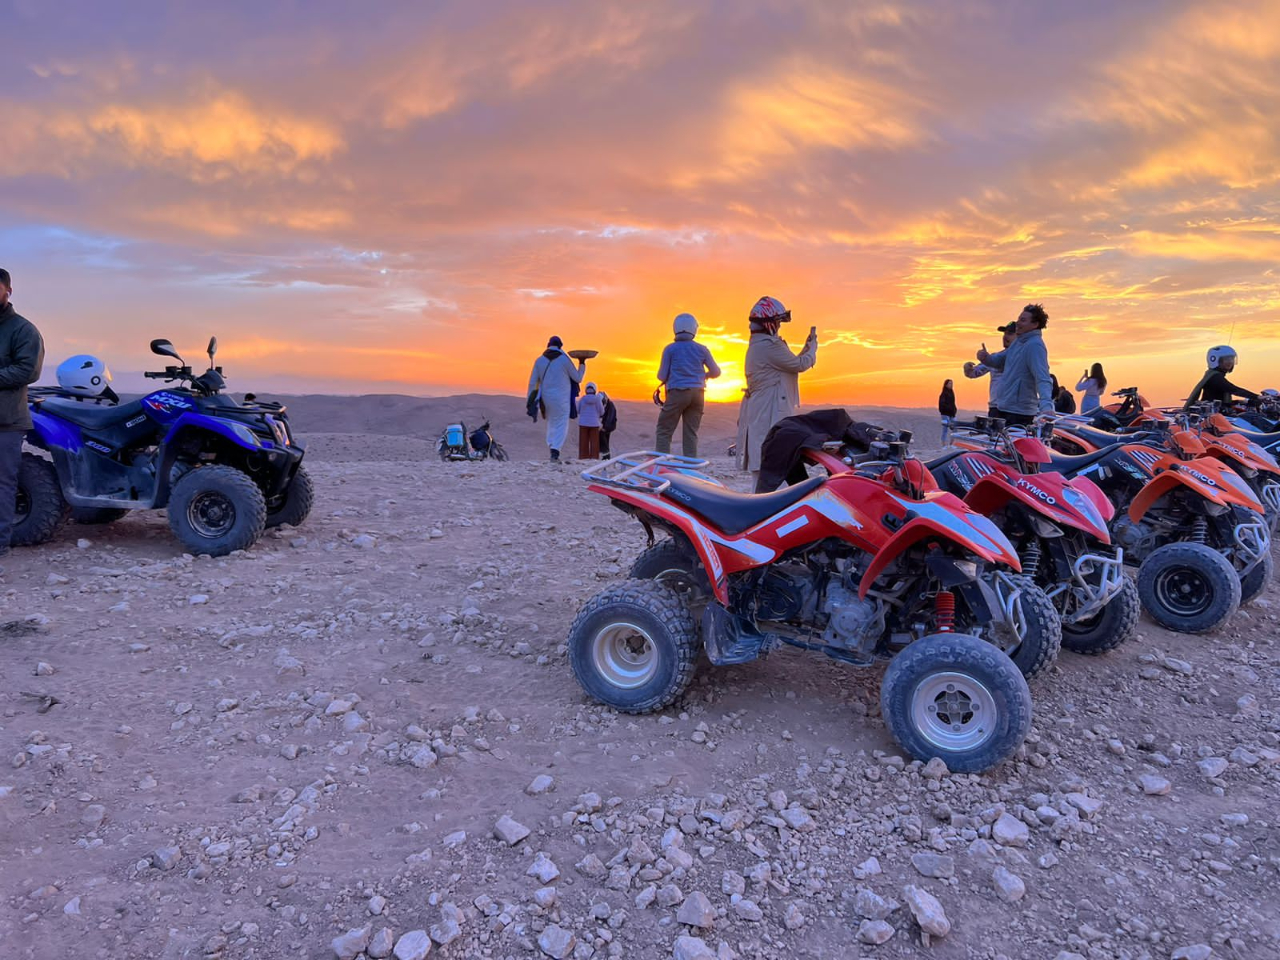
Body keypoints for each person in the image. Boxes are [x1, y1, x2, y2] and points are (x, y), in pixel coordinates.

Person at [736, 296, 818, 489]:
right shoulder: (769, 346)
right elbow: (799, 364)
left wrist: (805, 349)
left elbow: (788, 365)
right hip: (769, 408)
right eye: (778, 322)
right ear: (769, 323)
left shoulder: (760, 345)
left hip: (761, 407)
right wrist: (813, 348)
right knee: (774, 460)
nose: (779, 326)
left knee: (765, 460)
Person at [0, 268, 46, 576]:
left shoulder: (23, 330)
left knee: (2, 484)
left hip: (6, 421)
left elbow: (28, 371)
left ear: (8, 290)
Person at [974, 303, 1054, 427]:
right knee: (999, 445)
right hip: (1004, 408)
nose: (1018, 323)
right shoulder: (1018, 342)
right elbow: (1000, 360)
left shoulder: (1035, 345)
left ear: (1035, 325)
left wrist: (1047, 406)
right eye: (1018, 319)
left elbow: (1042, 377)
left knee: (1011, 446)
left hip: (1019, 414)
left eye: (1023, 320)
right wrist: (987, 358)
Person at [655, 313, 721, 457]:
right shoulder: (702, 349)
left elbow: (661, 376)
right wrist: (704, 376)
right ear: (694, 329)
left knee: (664, 430)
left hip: (677, 392)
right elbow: (716, 372)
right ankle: (690, 468)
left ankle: (661, 465)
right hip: (698, 394)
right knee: (691, 433)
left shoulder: (670, 349)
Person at [527, 335, 585, 462]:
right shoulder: (564, 360)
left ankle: (552, 446)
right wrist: (582, 363)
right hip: (562, 398)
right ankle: (555, 451)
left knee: (552, 422)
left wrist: (531, 400)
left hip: (546, 398)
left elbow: (533, 382)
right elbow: (578, 378)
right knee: (561, 423)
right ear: (560, 346)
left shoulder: (539, 360)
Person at [964, 323, 1015, 418]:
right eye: (1004, 334)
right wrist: (968, 368)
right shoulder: (995, 357)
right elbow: (974, 373)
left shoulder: (1023, 358)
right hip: (995, 407)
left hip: (1015, 409)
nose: (1005, 337)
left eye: (1010, 334)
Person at [1185, 345, 1258, 409]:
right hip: (1214, 413)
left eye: (1232, 359)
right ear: (1215, 360)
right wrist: (1257, 397)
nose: (1230, 362)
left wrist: (1239, 402)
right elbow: (1233, 389)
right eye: (1226, 359)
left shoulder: (1212, 375)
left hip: (1217, 409)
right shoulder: (1215, 377)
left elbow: (1221, 400)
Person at [577, 382, 604, 460]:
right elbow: (601, 411)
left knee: (583, 442)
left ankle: (583, 457)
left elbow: (578, 410)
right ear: (594, 389)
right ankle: (594, 458)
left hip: (583, 423)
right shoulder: (598, 400)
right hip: (594, 423)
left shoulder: (582, 399)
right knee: (594, 442)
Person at [599, 391, 618, 460]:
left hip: (609, 425)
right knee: (606, 439)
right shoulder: (607, 404)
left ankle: (606, 454)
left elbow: (610, 417)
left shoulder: (610, 405)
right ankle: (606, 456)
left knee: (602, 436)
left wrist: (605, 427)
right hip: (606, 425)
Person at [938, 378, 957, 445]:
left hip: (952, 414)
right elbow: (941, 405)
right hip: (945, 414)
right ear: (946, 385)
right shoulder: (943, 394)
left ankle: (951, 443)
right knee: (945, 429)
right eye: (949, 383)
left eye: (952, 383)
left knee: (955, 428)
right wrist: (946, 409)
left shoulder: (952, 393)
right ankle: (943, 444)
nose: (951, 385)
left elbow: (953, 403)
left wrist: (954, 410)